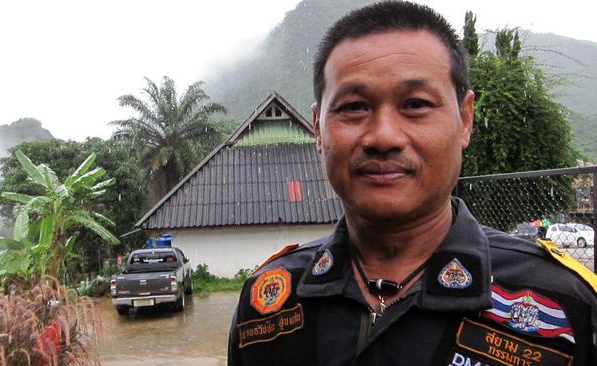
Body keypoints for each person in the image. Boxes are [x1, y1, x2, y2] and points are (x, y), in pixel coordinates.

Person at [228, 2, 597, 365]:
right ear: (318, 128)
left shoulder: (565, 306)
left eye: (416, 104)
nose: (383, 137)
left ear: (465, 119)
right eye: (354, 107)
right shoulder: (268, 304)